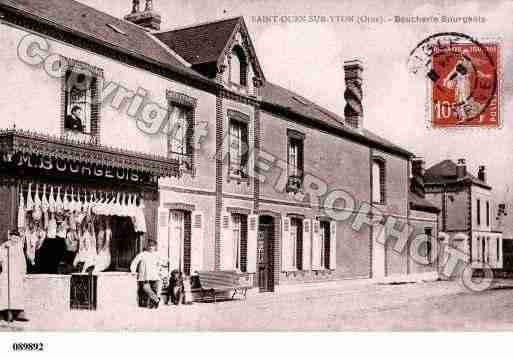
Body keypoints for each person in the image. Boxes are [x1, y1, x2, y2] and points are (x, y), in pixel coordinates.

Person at [0, 229, 29, 322]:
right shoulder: (4, 246)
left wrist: (23, 273)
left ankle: (18, 313)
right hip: (7, 273)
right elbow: (0, 260)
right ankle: (7, 313)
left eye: (17, 237)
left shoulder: (19, 247)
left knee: (17, 294)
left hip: (17, 274)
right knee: (6, 293)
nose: (15, 238)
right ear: (10, 237)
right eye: (13, 236)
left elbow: (22, 261)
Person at [130, 240, 164, 309]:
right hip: (145, 276)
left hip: (155, 276)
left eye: (153, 246)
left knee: (155, 290)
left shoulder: (157, 255)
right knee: (146, 288)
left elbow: (162, 264)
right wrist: (133, 270)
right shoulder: (142, 254)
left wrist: (161, 272)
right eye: (150, 246)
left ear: (155, 247)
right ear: (147, 246)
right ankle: (157, 300)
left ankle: (153, 304)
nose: (151, 247)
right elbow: (135, 262)